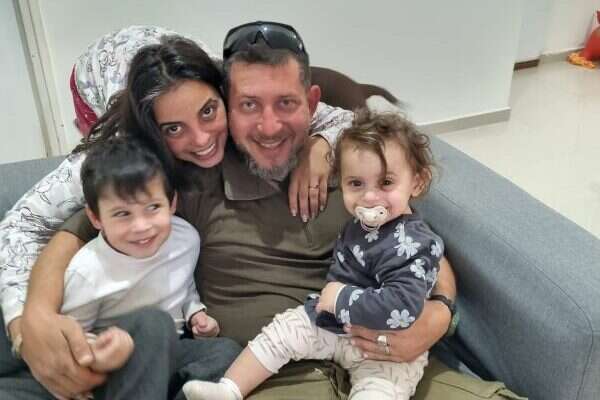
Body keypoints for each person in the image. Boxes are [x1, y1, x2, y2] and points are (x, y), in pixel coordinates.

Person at [4, 21, 456, 400]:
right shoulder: (163, 174)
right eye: (248, 105)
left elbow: (417, 243)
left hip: (388, 364)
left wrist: (437, 314)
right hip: (269, 371)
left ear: (311, 103)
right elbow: (70, 228)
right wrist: (33, 317)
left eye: (286, 103)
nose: (268, 125)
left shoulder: (353, 159)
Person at [182, 109, 443, 400]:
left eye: (386, 183)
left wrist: (341, 298)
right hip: (334, 325)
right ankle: (229, 389)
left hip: (385, 347)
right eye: (356, 184)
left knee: (381, 391)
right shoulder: (359, 224)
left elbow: (403, 306)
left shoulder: (416, 243)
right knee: (285, 329)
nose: (369, 197)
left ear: (417, 182)